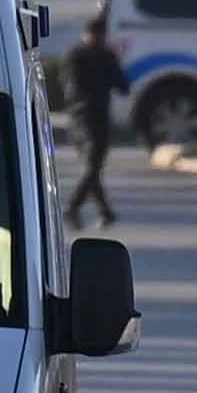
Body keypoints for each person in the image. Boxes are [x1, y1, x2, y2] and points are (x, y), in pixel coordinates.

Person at [65, 15, 126, 231]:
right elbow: (123, 86)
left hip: (80, 120)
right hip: (93, 120)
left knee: (92, 169)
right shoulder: (99, 56)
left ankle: (104, 212)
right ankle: (73, 207)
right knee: (92, 168)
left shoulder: (77, 55)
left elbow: (70, 89)